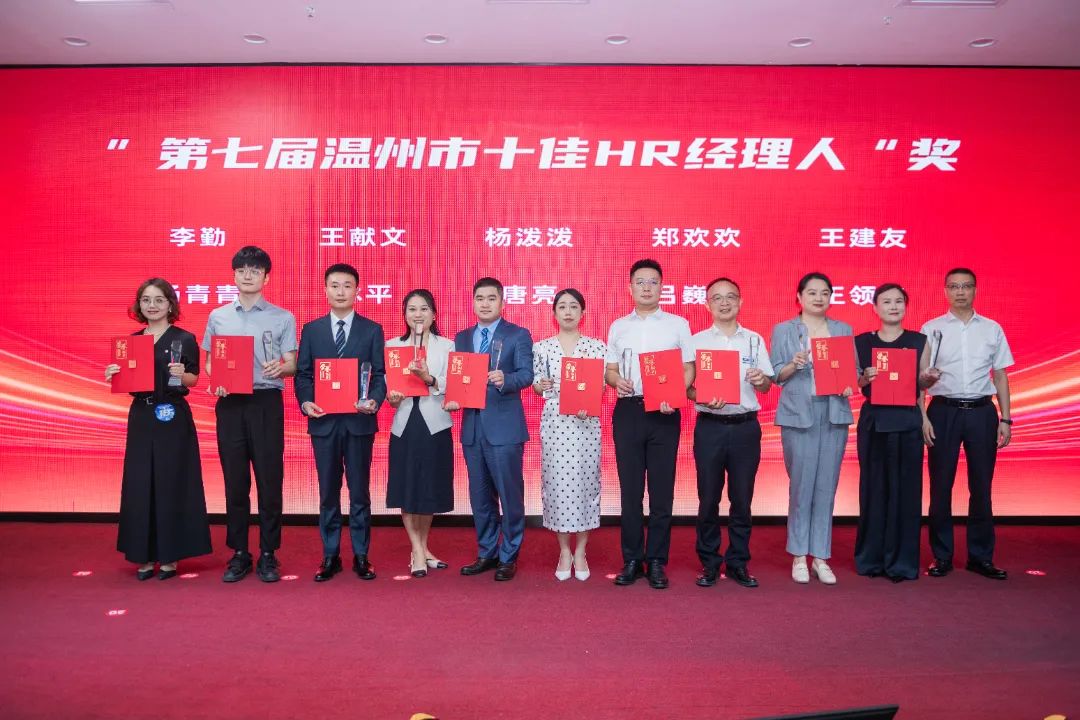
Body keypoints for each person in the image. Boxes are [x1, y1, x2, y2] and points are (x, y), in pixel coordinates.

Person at [202, 246, 297, 583]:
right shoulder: (218, 316)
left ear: (266, 278)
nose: (247, 275)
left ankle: (269, 552)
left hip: (265, 401)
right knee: (235, 480)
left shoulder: (283, 317)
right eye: (242, 270)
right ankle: (240, 552)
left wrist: (282, 368)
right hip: (230, 403)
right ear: (234, 275)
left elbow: (293, 363)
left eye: (255, 271)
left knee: (270, 480)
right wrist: (216, 379)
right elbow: (210, 361)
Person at [107, 278, 211, 580]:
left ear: (170, 304)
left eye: (158, 300)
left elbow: (193, 380)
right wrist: (113, 374)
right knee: (140, 483)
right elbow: (127, 383)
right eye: (146, 300)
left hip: (172, 413)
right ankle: (143, 554)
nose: (152, 305)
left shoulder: (184, 338)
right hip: (142, 414)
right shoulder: (131, 342)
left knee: (171, 481)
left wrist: (181, 374)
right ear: (139, 305)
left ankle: (170, 556)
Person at [605, 259, 695, 589]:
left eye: (653, 282)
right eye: (640, 282)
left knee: (661, 490)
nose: (647, 287)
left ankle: (656, 560)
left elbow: (689, 367)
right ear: (630, 288)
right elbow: (610, 370)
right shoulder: (618, 326)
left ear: (662, 287)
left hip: (665, 414)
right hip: (628, 412)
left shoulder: (678, 324)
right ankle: (632, 559)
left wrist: (677, 393)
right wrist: (616, 381)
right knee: (630, 492)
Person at [920, 268, 1013, 580]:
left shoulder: (992, 329)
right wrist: (922, 417)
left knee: (981, 486)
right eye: (954, 286)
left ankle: (981, 557)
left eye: (966, 286)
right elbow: (920, 378)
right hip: (942, 412)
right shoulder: (931, 328)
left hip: (982, 412)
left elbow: (1000, 375)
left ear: (975, 290)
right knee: (940, 485)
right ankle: (942, 556)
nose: (960, 292)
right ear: (945, 291)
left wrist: (1006, 418)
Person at [295, 263, 386, 582]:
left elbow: (380, 374)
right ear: (325, 290)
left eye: (347, 285)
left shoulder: (372, 330)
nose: (341, 291)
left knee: (359, 492)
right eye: (335, 285)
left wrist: (374, 400)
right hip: (324, 423)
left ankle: (361, 555)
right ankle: (330, 555)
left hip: (359, 423)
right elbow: (303, 374)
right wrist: (306, 402)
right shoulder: (312, 330)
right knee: (328, 492)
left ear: (357, 291)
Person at [688, 278, 773, 590]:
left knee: (742, 499)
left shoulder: (753, 340)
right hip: (710, 427)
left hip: (745, 428)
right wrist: (701, 396)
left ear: (740, 302)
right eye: (717, 298)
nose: (724, 303)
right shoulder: (696, 341)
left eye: (731, 297)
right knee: (708, 498)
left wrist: (761, 380)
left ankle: (738, 562)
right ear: (707, 304)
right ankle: (709, 563)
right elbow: (687, 388)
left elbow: (766, 386)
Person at [447, 278, 534, 582]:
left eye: (491, 298)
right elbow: (458, 378)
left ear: (502, 303)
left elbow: (527, 374)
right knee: (480, 496)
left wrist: (505, 379)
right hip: (472, 428)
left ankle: (509, 554)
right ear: (473, 302)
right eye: (480, 298)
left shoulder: (518, 334)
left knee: (510, 495)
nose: (485, 304)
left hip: (505, 428)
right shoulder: (462, 337)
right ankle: (487, 551)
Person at [771, 272, 854, 585]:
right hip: (798, 415)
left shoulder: (842, 329)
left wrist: (851, 384)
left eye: (825, 293)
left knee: (826, 487)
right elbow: (776, 375)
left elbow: (854, 371)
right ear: (799, 297)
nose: (819, 298)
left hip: (833, 413)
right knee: (801, 486)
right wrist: (794, 364)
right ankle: (798, 555)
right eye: (812, 293)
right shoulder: (784, 330)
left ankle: (820, 556)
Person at [853, 284, 929, 583]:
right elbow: (854, 383)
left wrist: (927, 382)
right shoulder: (862, 342)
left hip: (908, 422)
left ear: (906, 306)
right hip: (874, 421)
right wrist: (864, 378)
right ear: (875, 307)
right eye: (886, 302)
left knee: (906, 493)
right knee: (873, 490)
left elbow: (922, 387)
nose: (893, 306)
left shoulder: (919, 341)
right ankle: (871, 559)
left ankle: (902, 562)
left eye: (899, 301)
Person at [531, 288, 607, 582]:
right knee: (558, 486)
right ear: (554, 313)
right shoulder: (542, 347)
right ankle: (564, 551)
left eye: (574, 306)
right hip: (556, 425)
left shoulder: (596, 347)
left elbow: (600, 387)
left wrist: (589, 402)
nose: (568, 311)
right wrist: (540, 385)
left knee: (586, 485)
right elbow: (537, 385)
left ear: (583, 312)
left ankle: (581, 551)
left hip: (586, 424)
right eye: (562, 306)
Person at [384, 289, 455, 578]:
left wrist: (429, 378)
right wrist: (392, 397)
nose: (418, 314)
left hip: (435, 423)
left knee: (428, 490)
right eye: (412, 309)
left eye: (424, 309)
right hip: (405, 423)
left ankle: (423, 548)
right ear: (404, 315)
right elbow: (388, 388)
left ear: (434, 314)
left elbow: (452, 385)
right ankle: (416, 550)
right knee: (408, 488)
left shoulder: (447, 346)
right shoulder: (392, 345)